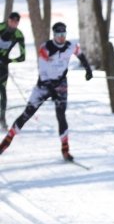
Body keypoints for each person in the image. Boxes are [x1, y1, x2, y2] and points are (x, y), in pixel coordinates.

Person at [0, 21, 93, 161]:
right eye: (58, 34)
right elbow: (43, 73)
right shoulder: (45, 48)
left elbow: (80, 54)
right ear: (54, 35)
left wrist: (88, 70)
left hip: (61, 84)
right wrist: (52, 91)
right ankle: (5, 143)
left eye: (63, 34)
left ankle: (65, 150)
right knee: (27, 114)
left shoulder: (70, 46)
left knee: (61, 115)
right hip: (43, 86)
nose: (61, 37)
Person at [0, 11, 27, 130]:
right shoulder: (1, 27)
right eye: (12, 21)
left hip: (3, 67)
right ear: (8, 20)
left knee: (2, 93)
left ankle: (2, 119)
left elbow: (22, 57)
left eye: (16, 22)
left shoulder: (18, 35)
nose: (13, 24)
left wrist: (9, 60)